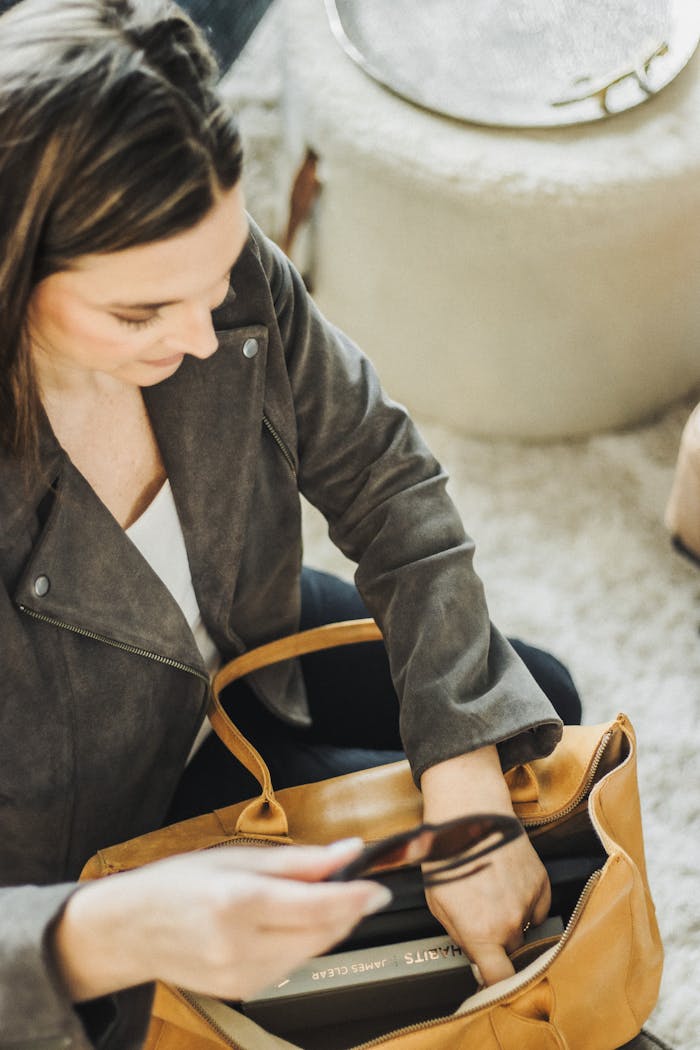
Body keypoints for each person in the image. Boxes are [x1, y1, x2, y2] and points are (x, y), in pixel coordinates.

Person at [0, 1, 581, 1047]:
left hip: (248, 654)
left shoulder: (204, 274)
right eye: (139, 315)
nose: (200, 335)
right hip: (78, 858)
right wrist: (103, 934)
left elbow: (384, 473)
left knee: (527, 719)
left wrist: (462, 776)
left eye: (216, 276)